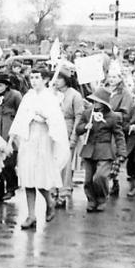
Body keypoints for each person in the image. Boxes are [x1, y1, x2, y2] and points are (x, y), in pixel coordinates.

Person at [8, 68, 70, 229]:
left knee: (41, 177)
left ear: (45, 80)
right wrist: (11, 139)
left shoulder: (50, 97)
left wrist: (43, 116)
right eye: (32, 77)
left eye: (37, 77)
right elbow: (20, 117)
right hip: (28, 139)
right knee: (27, 177)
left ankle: (49, 202)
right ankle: (31, 215)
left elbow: (56, 121)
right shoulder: (28, 96)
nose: (34, 80)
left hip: (43, 139)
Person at [75, 87, 126, 213]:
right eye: (94, 101)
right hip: (89, 149)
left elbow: (119, 135)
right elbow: (78, 129)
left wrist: (122, 152)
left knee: (100, 176)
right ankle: (91, 200)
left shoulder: (113, 117)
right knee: (88, 179)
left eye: (98, 102)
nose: (95, 104)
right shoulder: (88, 113)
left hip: (104, 150)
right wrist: (85, 127)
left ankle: (102, 198)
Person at [0, 72, 22, 202]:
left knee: (8, 163)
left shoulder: (15, 96)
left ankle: (11, 188)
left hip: (9, 131)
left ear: (7, 86)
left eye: (1, 85)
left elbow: (21, 113)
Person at [53, 70, 84, 208]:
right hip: (53, 130)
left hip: (67, 128)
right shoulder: (52, 93)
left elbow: (79, 116)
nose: (57, 81)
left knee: (65, 163)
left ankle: (63, 193)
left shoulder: (74, 95)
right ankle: (53, 190)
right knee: (53, 162)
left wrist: (74, 136)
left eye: (60, 78)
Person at [105, 66, 133, 197]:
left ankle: (113, 181)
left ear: (120, 78)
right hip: (103, 126)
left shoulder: (125, 93)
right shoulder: (104, 90)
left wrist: (110, 114)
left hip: (116, 127)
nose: (111, 79)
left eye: (114, 77)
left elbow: (125, 113)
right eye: (110, 76)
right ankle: (109, 181)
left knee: (115, 155)